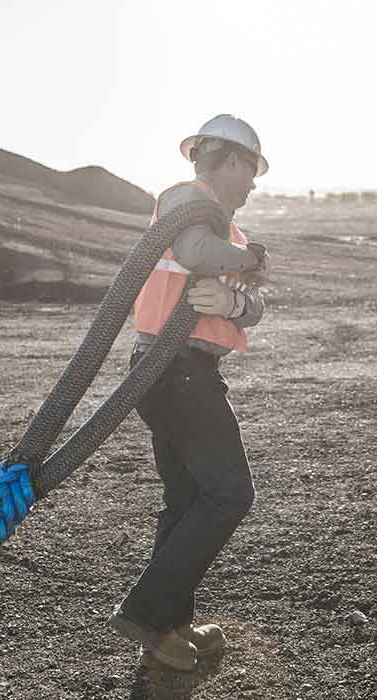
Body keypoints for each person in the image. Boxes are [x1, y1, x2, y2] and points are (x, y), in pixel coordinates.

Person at [107, 115, 270, 672]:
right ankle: (148, 610)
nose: (254, 184)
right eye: (253, 170)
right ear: (230, 161)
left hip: (182, 371)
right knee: (229, 493)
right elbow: (199, 252)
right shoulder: (186, 198)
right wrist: (248, 263)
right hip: (173, 369)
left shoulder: (232, 230)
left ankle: (170, 627)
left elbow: (257, 303)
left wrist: (235, 305)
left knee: (187, 498)